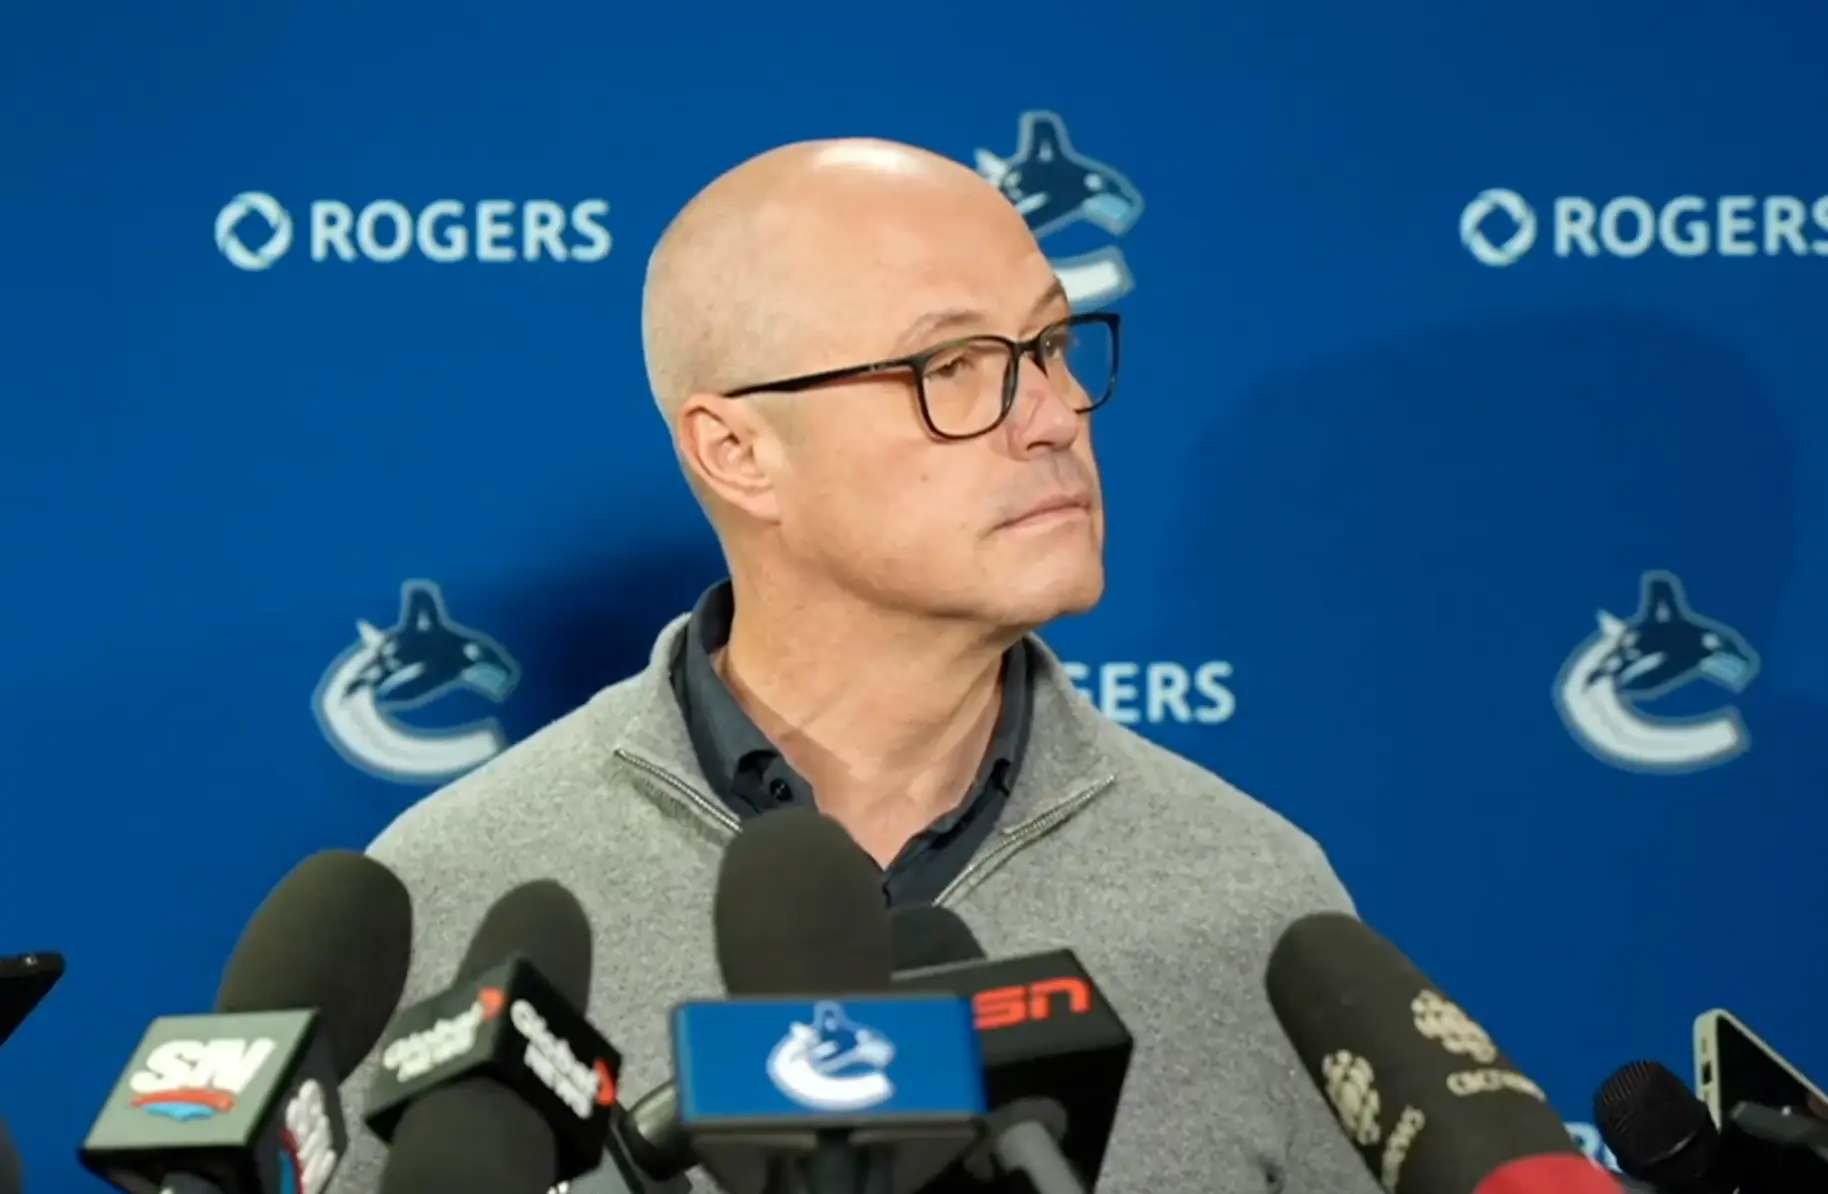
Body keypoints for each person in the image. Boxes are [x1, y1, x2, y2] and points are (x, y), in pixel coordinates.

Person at [328, 138, 1377, 1194]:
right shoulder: (457, 898)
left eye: (1053, 344)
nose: (1056, 414)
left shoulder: (1255, 900)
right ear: (737, 452)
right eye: (953, 366)